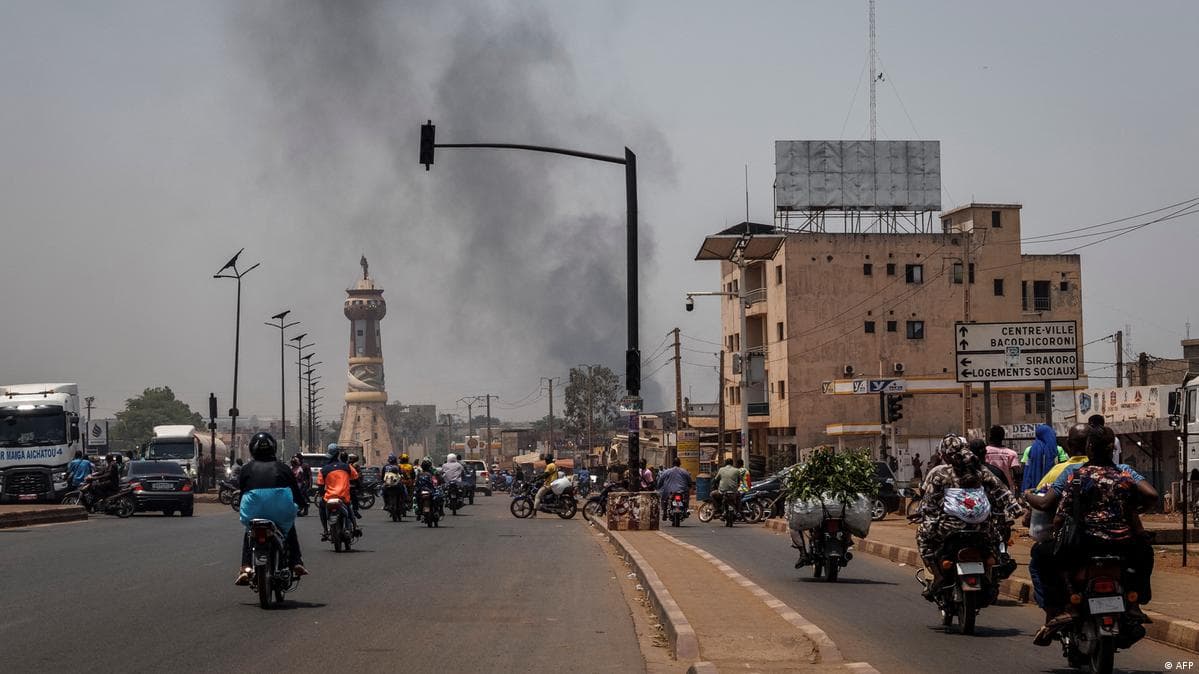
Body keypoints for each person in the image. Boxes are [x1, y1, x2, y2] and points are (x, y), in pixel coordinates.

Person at [1024, 424, 1157, 640]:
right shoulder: (1125, 476)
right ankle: (1134, 602)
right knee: (1146, 553)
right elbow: (1142, 503)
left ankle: (1064, 606)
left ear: (1089, 448)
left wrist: (1058, 529)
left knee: (1044, 556)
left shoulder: (1077, 477)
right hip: (1123, 544)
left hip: (1084, 545)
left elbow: (1059, 516)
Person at [916, 435, 1022, 600]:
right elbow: (1002, 491)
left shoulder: (941, 474)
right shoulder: (981, 470)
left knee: (922, 537)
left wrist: (928, 520)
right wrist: (1015, 509)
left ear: (944, 455)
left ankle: (938, 576)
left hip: (949, 529)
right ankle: (992, 576)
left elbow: (928, 504)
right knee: (996, 541)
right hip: (981, 528)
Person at [235, 432, 306, 586]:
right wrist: (302, 504)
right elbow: (296, 492)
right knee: (289, 529)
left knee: (249, 533)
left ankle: (245, 566)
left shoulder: (246, 469)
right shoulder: (283, 468)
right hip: (281, 511)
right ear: (273, 447)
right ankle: (296, 562)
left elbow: (242, 493)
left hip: (252, 511)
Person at [318, 449, 360, 539]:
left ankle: (325, 530)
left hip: (328, 498)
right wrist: (358, 488)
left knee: (322, 507)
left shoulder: (323, 470)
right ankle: (355, 526)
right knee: (349, 508)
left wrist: (323, 494)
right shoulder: (347, 467)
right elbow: (356, 478)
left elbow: (320, 487)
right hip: (344, 496)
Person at [1021, 424, 1063, 492]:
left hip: (1032, 488)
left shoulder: (1029, 450)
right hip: (1053, 488)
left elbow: (1024, 469)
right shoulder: (1058, 449)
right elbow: (1064, 467)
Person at [984, 425, 1020, 490]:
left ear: (990, 437)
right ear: (1003, 437)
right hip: (1006, 488)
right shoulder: (1011, 453)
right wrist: (1018, 489)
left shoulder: (984, 451)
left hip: (988, 487)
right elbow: (1017, 473)